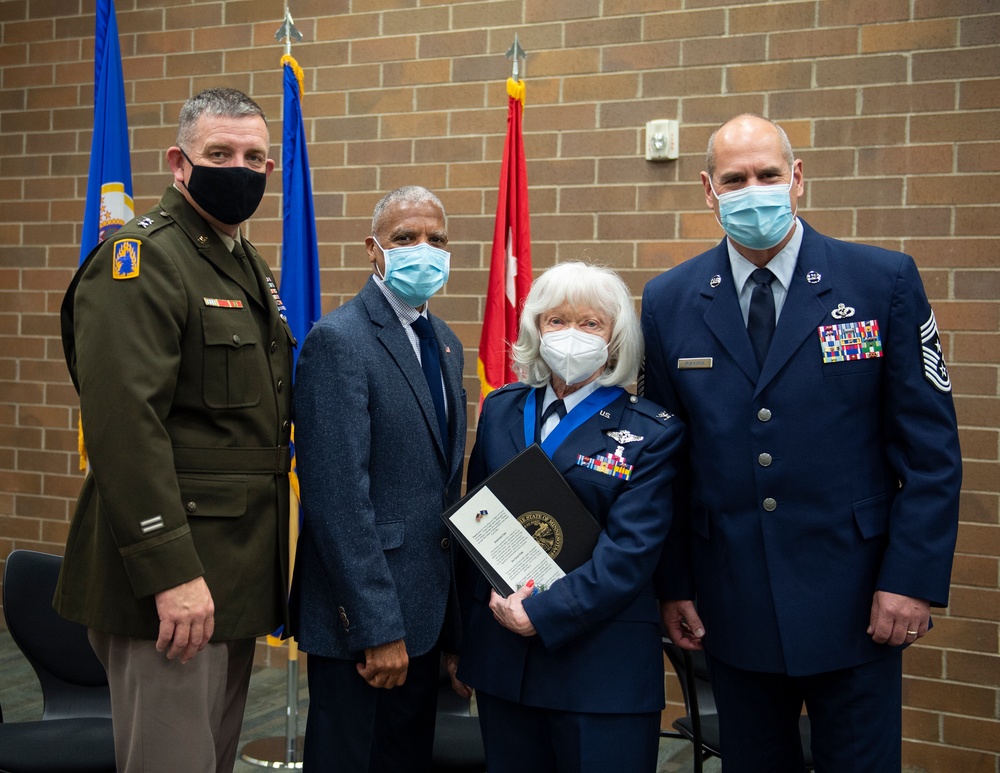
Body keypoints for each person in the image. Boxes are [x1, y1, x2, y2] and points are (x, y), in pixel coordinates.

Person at [641, 113, 962, 772]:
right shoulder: (669, 299)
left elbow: (930, 452)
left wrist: (910, 580)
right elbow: (664, 461)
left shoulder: (880, 282)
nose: (752, 189)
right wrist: (674, 583)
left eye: (767, 174)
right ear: (708, 190)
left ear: (797, 179)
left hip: (860, 600)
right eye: (735, 178)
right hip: (732, 606)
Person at [56, 87, 293, 773]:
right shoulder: (142, 257)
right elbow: (124, 425)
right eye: (219, 153)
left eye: (254, 157)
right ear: (178, 163)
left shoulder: (244, 263)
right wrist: (172, 572)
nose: (239, 168)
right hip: (172, 581)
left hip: (233, 575)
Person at [453, 262, 686, 773]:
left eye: (590, 323)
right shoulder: (501, 410)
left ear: (615, 336)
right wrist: (462, 640)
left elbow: (630, 554)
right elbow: (478, 523)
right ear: (536, 328)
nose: (571, 335)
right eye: (556, 321)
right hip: (503, 663)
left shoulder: (651, 430)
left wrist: (543, 613)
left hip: (598, 668)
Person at [291, 186, 467, 773]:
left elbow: (441, 490)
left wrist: (452, 631)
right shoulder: (339, 341)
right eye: (405, 238)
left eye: (436, 239)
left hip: (424, 617)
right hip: (366, 630)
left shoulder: (444, 343)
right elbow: (338, 500)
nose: (424, 250)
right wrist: (377, 628)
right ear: (374, 250)